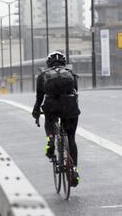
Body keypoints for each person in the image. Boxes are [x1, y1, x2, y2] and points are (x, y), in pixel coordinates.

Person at [32, 51, 81, 187]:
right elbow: (75, 93)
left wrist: (36, 111)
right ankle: (74, 169)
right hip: (69, 106)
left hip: (52, 105)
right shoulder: (70, 73)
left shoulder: (43, 75)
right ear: (64, 63)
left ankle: (51, 138)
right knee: (71, 138)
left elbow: (39, 98)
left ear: (48, 63)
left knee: (49, 120)